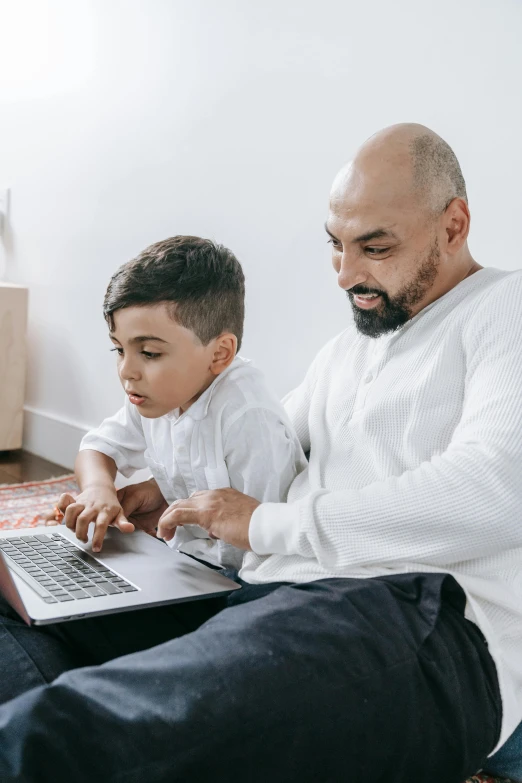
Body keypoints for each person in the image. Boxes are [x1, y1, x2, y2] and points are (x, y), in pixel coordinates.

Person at [0, 123, 521, 783]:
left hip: (414, 613)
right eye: (335, 245)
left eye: (375, 246)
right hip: (266, 596)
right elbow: (269, 440)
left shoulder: (505, 307)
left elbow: (495, 489)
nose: (346, 273)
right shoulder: (349, 351)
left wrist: (264, 523)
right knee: (27, 601)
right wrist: (171, 490)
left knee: (88, 730)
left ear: (454, 226)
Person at [52, 234, 306, 571]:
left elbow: (260, 540)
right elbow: (97, 447)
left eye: (150, 353)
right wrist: (98, 491)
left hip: (237, 576)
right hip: (180, 559)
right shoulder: (155, 398)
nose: (127, 370)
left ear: (219, 354)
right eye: (119, 349)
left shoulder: (247, 417)